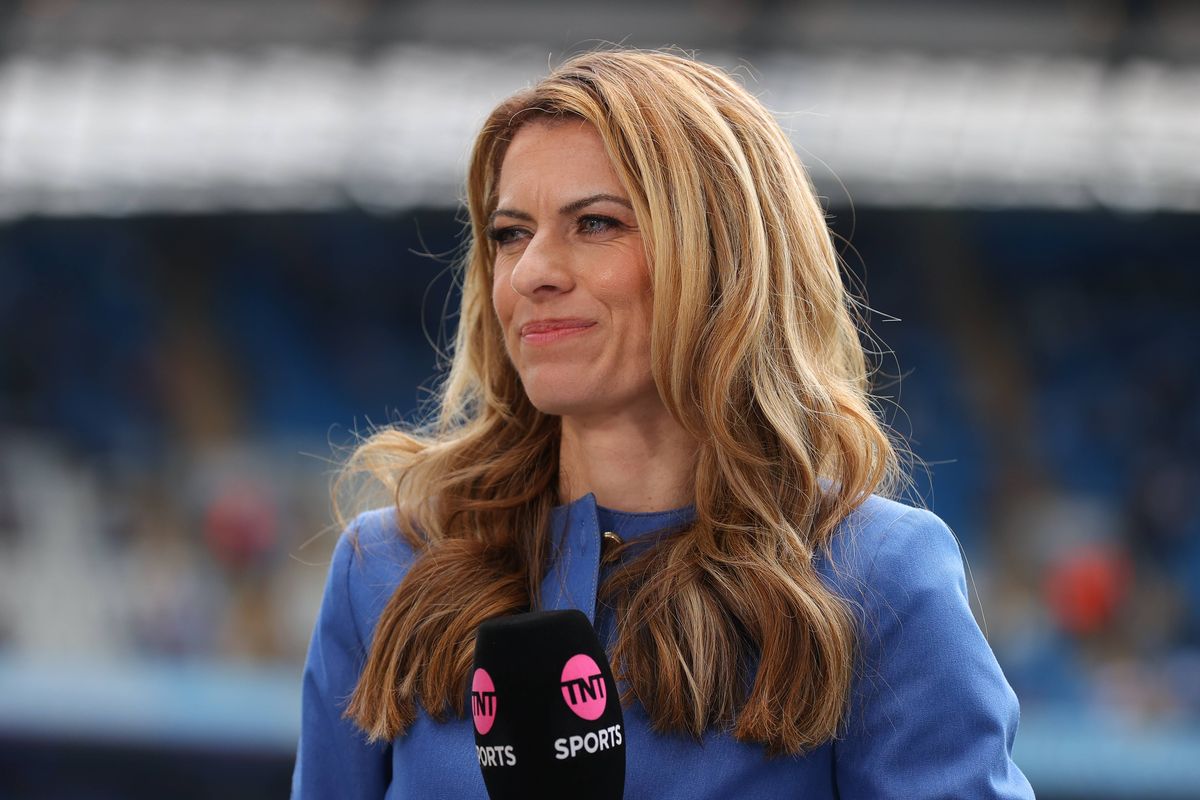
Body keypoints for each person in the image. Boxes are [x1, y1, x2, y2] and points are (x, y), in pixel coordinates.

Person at [292, 49, 1034, 799]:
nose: (531, 273)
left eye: (595, 223)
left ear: (721, 258)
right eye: (511, 233)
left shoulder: (875, 576)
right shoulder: (385, 567)